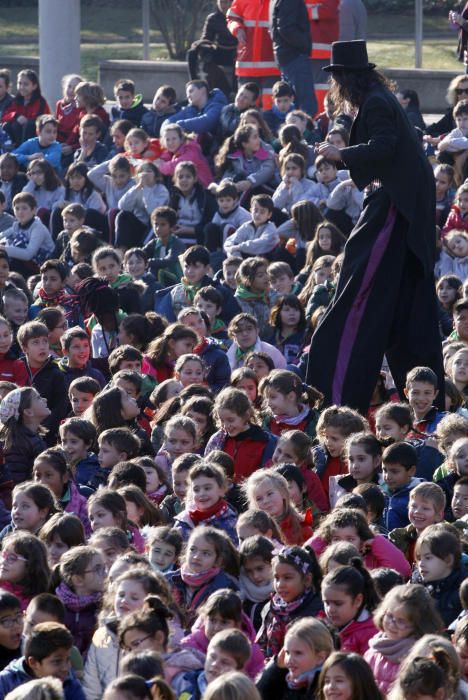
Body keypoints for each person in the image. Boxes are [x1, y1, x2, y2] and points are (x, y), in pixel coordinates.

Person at [306, 41, 444, 415]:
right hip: (399, 202)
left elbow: (384, 146)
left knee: (359, 290)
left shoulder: (378, 102)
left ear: (347, 78)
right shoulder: (377, 100)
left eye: (337, 78)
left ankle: (335, 395)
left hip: (395, 205)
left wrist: (341, 155)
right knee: (398, 303)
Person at [226, 0, 280, 109]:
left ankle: (268, 126)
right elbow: (232, 17)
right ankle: (245, 126)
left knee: (270, 107)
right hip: (247, 63)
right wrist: (237, 29)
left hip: (271, 66)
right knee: (244, 107)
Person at [269, 0, 316, 117]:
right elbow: (286, 28)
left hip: (286, 55)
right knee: (306, 105)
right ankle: (305, 133)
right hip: (294, 55)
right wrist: (304, 44)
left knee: (292, 103)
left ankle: (292, 132)